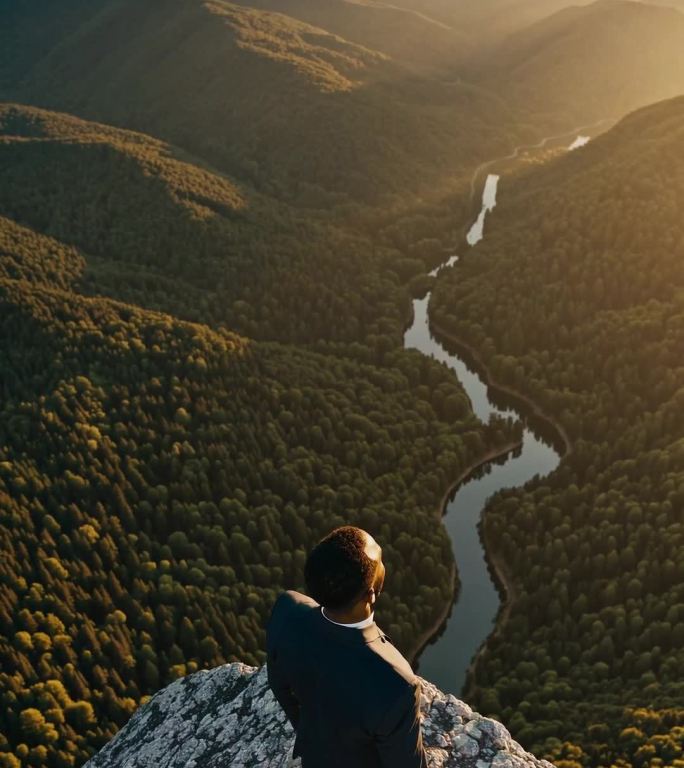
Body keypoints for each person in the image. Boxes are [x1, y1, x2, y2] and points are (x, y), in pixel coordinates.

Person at [266, 525, 429, 768]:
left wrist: (310, 734)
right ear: (371, 594)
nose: (384, 562)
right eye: (380, 561)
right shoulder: (397, 684)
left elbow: (278, 684)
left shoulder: (287, 609)